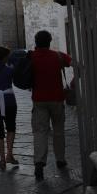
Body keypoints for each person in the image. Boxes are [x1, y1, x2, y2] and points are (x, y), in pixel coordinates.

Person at [31, 30, 71, 180]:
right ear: (49, 41)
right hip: (57, 99)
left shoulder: (32, 57)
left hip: (39, 100)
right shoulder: (58, 56)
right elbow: (75, 64)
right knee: (58, 130)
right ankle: (60, 159)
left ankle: (39, 163)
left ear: (36, 42)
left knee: (40, 131)